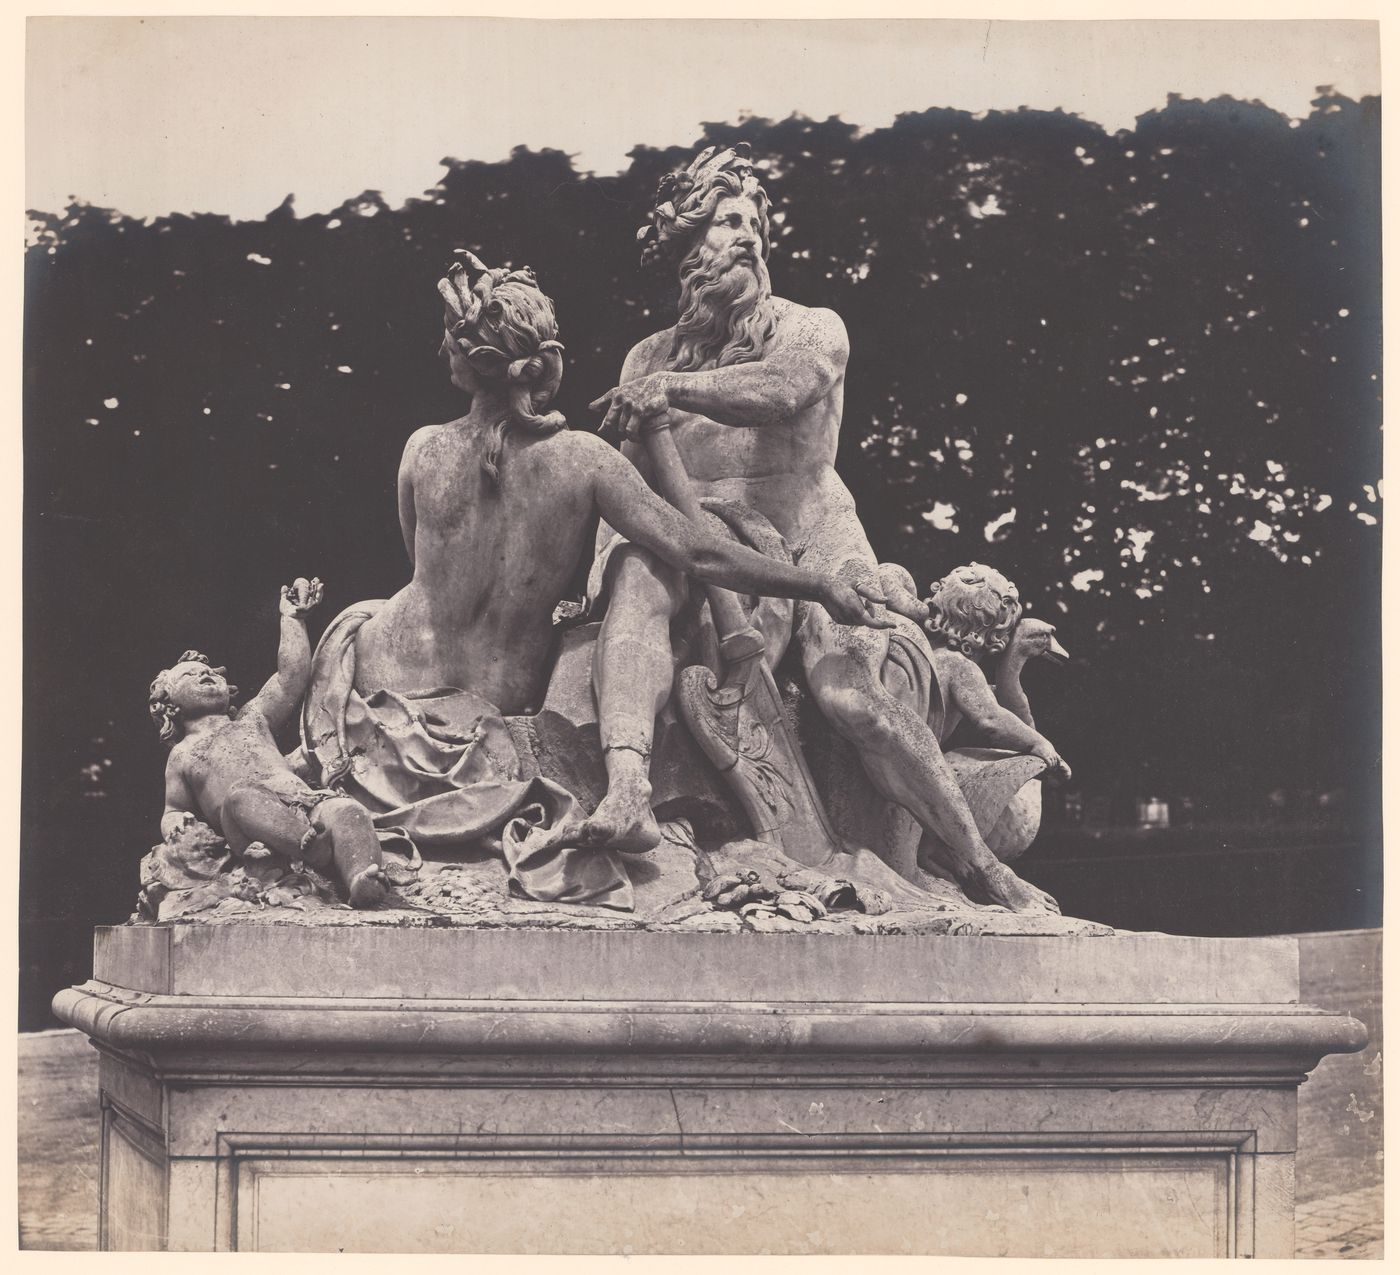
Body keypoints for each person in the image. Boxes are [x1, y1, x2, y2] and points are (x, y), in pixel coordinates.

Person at [300, 253, 890, 908]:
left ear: (471, 359)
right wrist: (816, 585)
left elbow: (423, 567)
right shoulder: (585, 461)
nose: (442, 345)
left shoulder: (422, 449)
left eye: (451, 334)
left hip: (383, 681)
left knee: (354, 619)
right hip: (492, 703)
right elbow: (700, 552)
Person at [586, 144, 1059, 913]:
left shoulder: (812, 330)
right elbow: (627, 488)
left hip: (814, 538)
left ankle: (982, 867)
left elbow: (782, 390)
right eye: (725, 221)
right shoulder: (647, 355)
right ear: (686, 246)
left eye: (755, 225)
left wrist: (669, 389)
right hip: (709, 552)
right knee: (632, 575)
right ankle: (629, 784)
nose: (748, 236)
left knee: (849, 695)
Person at [150, 577, 388, 908]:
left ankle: (362, 877)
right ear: (169, 705)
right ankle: (315, 850)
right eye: (191, 675)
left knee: (348, 811)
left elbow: (289, 679)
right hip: (246, 827)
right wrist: (176, 823)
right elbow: (174, 808)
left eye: (213, 674)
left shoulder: (252, 717)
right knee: (241, 796)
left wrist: (291, 620)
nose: (207, 675)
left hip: (303, 800)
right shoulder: (183, 754)